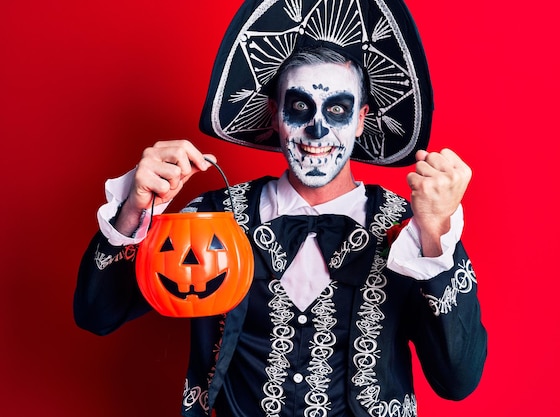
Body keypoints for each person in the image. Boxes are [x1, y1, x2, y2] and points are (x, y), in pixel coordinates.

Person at [74, 2, 487, 416]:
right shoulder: (212, 219)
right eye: (300, 107)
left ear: (361, 121)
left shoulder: (409, 230)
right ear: (275, 115)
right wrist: (134, 207)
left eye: (338, 110)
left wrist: (435, 235)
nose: (318, 130)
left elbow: (457, 380)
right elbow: (97, 314)